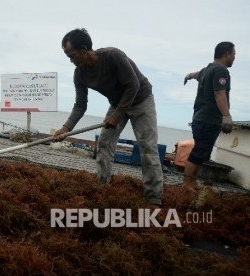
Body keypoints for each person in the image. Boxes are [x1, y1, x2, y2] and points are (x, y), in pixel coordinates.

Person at [53, 28, 163, 206]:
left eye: (72, 55)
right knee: (104, 142)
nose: (71, 61)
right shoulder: (79, 74)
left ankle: (153, 198)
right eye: (68, 57)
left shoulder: (113, 56)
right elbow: (80, 105)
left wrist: (117, 115)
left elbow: (132, 85)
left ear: (83, 49)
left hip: (141, 99)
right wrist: (66, 128)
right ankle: (102, 185)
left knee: (148, 148)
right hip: (117, 102)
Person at [182, 42, 235, 191]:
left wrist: (189, 76)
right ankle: (186, 184)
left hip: (200, 118)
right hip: (208, 119)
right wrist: (226, 117)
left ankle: (192, 182)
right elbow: (219, 94)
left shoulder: (207, 69)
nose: (234, 58)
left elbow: (197, 74)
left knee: (202, 152)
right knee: (199, 152)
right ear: (227, 54)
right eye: (234, 54)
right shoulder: (221, 71)